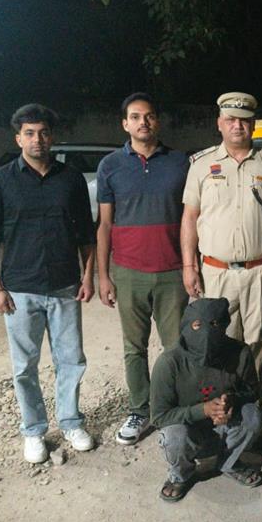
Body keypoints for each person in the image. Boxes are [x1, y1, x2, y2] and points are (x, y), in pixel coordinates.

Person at [0, 104, 96, 464]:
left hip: (64, 286)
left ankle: (71, 423)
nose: (37, 139)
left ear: (52, 136)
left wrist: (88, 275)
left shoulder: (71, 179)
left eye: (43, 133)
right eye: (29, 133)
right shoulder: (0, 181)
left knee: (71, 360)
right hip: (19, 290)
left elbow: (85, 233)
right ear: (18, 139)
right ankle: (33, 431)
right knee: (24, 366)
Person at [95, 92, 190, 446]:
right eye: (135, 117)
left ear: (157, 121)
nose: (143, 122)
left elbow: (191, 219)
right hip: (128, 271)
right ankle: (139, 410)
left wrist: (191, 266)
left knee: (175, 348)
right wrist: (104, 275)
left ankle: (171, 409)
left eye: (148, 116)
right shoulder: (110, 166)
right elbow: (105, 225)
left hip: (172, 271)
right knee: (133, 348)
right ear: (125, 124)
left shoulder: (181, 163)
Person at [180, 92, 262, 381]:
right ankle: (223, 400)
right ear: (219, 123)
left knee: (259, 340)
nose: (237, 126)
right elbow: (190, 218)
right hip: (216, 272)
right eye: (230, 120)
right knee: (218, 339)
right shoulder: (201, 164)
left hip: (260, 272)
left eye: (244, 120)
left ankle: (253, 398)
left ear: (253, 125)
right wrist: (189, 266)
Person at [150, 298, 262, 502]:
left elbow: (252, 392)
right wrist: (203, 410)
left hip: (225, 430)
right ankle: (180, 475)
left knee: (253, 416)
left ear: (225, 325)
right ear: (186, 326)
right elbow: (159, 417)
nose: (207, 333)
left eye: (214, 325)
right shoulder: (169, 362)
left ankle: (229, 463)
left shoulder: (240, 352)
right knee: (173, 435)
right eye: (197, 325)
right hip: (189, 434)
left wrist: (232, 402)